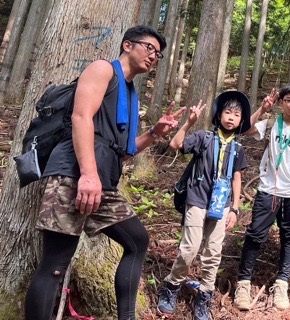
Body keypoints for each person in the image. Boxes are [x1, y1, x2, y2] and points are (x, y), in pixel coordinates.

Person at [24, 25, 184, 320]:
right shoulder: (102, 69)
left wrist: (154, 132)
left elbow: (124, 151)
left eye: (158, 54)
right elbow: (81, 117)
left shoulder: (130, 93)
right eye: (148, 47)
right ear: (127, 45)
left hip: (104, 182)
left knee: (137, 241)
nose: (153, 56)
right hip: (73, 174)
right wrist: (87, 174)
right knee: (56, 263)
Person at [157, 91, 252, 320]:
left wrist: (235, 208)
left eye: (236, 114)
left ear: (241, 120)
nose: (231, 117)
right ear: (218, 115)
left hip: (222, 205)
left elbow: (236, 178)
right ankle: (171, 285)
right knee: (190, 247)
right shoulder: (204, 138)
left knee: (213, 253)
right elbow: (175, 144)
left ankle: (205, 295)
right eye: (227, 112)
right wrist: (189, 123)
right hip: (197, 199)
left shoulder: (237, 149)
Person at [233, 83, 290, 311]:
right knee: (256, 234)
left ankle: (282, 285)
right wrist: (262, 109)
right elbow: (243, 129)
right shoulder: (269, 124)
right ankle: (244, 284)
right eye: (288, 100)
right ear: (281, 102)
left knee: (289, 238)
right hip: (268, 190)